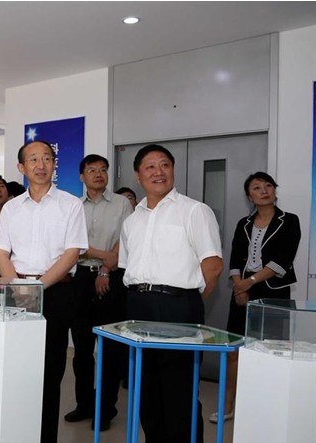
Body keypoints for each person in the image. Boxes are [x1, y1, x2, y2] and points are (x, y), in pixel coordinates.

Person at [119, 144, 223, 443]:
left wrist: (187, 303)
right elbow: (126, 266)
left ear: (173, 169)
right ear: (138, 175)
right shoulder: (132, 220)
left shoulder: (194, 210)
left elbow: (213, 265)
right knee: (146, 388)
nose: (159, 172)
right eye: (150, 166)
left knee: (179, 389)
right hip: (137, 306)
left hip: (179, 306)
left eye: (165, 164)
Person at [0, 140, 88, 443]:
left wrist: (36, 287)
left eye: (47, 158)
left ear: (54, 164)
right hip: (16, 295)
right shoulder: (11, 208)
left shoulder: (70, 204)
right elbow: (1, 253)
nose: (40, 164)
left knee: (49, 373)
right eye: (33, 159)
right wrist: (19, 286)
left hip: (56, 294)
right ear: (21, 167)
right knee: (18, 372)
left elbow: (72, 254)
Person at [209, 171, 300, 424]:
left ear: (274, 190)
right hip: (243, 289)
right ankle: (227, 406)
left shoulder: (289, 221)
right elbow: (236, 256)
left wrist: (248, 283)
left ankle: (267, 409)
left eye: (268, 186)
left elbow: (282, 261)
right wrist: (239, 286)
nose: (264, 191)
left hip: (273, 290)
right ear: (249, 196)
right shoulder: (244, 223)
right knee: (234, 350)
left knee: (271, 351)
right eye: (257, 188)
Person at [64, 155, 132, 431]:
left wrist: (105, 267)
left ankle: (105, 409)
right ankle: (84, 404)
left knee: (110, 348)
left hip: (112, 278)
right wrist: (103, 256)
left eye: (103, 170)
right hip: (79, 279)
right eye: (92, 170)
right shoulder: (73, 206)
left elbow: (126, 240)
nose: (98, 174)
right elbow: (73, 245)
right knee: (81, 348)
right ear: (82, 176)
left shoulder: (122, 203)